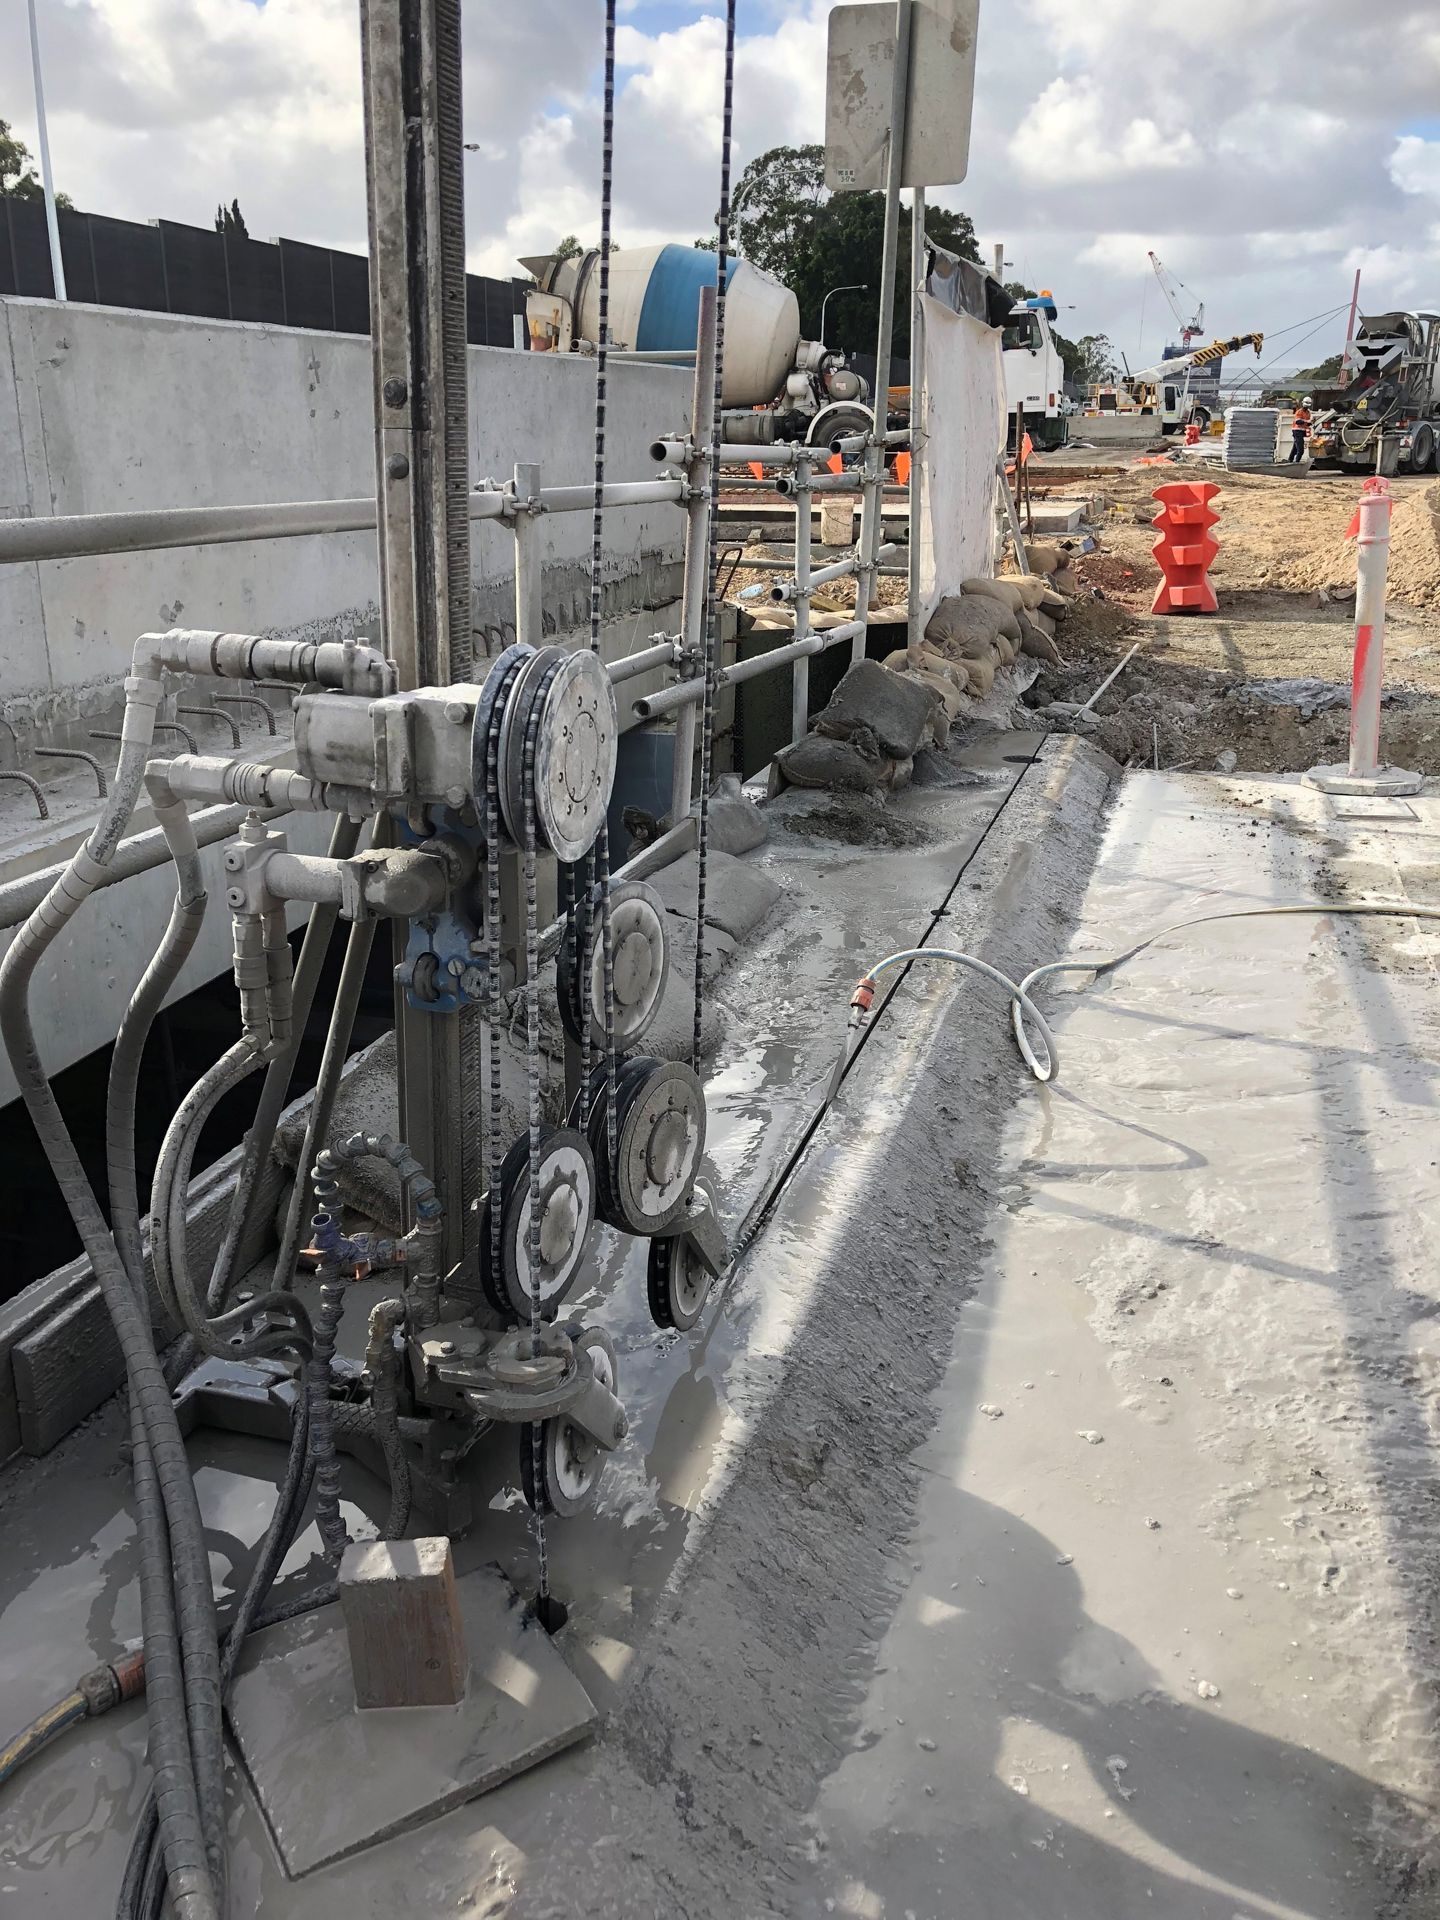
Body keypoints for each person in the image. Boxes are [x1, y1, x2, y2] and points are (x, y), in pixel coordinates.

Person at [1289, 395, 1313, 464]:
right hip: (1297, 431)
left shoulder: (1308, 413)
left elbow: (1307, 423)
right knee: (1300, 450)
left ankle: (1290, 460)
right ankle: (1297, 462)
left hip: (1302, 432)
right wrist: (1307, 422)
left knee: (1295, 448)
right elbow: (1298, 422)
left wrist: (1310, 422)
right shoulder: (1299, 412)